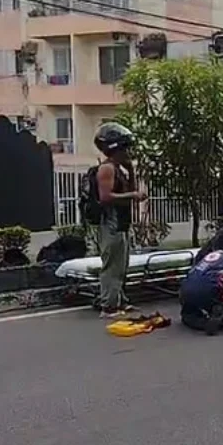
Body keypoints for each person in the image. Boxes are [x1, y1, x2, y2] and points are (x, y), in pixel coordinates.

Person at [94, 122, 147, 319]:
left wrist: (131, 171)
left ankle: (119, 300)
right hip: (111, 224)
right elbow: (105, 197)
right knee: (112, 266)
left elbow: (128, 188)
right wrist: (133, 195)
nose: (129, 152)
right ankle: (108, 305)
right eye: (126, 148)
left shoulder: (119, 168)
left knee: (122, 264)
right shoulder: (106, 169)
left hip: (122, 223)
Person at [179, 243, 223, 336]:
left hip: (184, 288)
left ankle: (192, 319)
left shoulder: (216, 254)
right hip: (207, 290)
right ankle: (220, 317)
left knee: (190, 313)